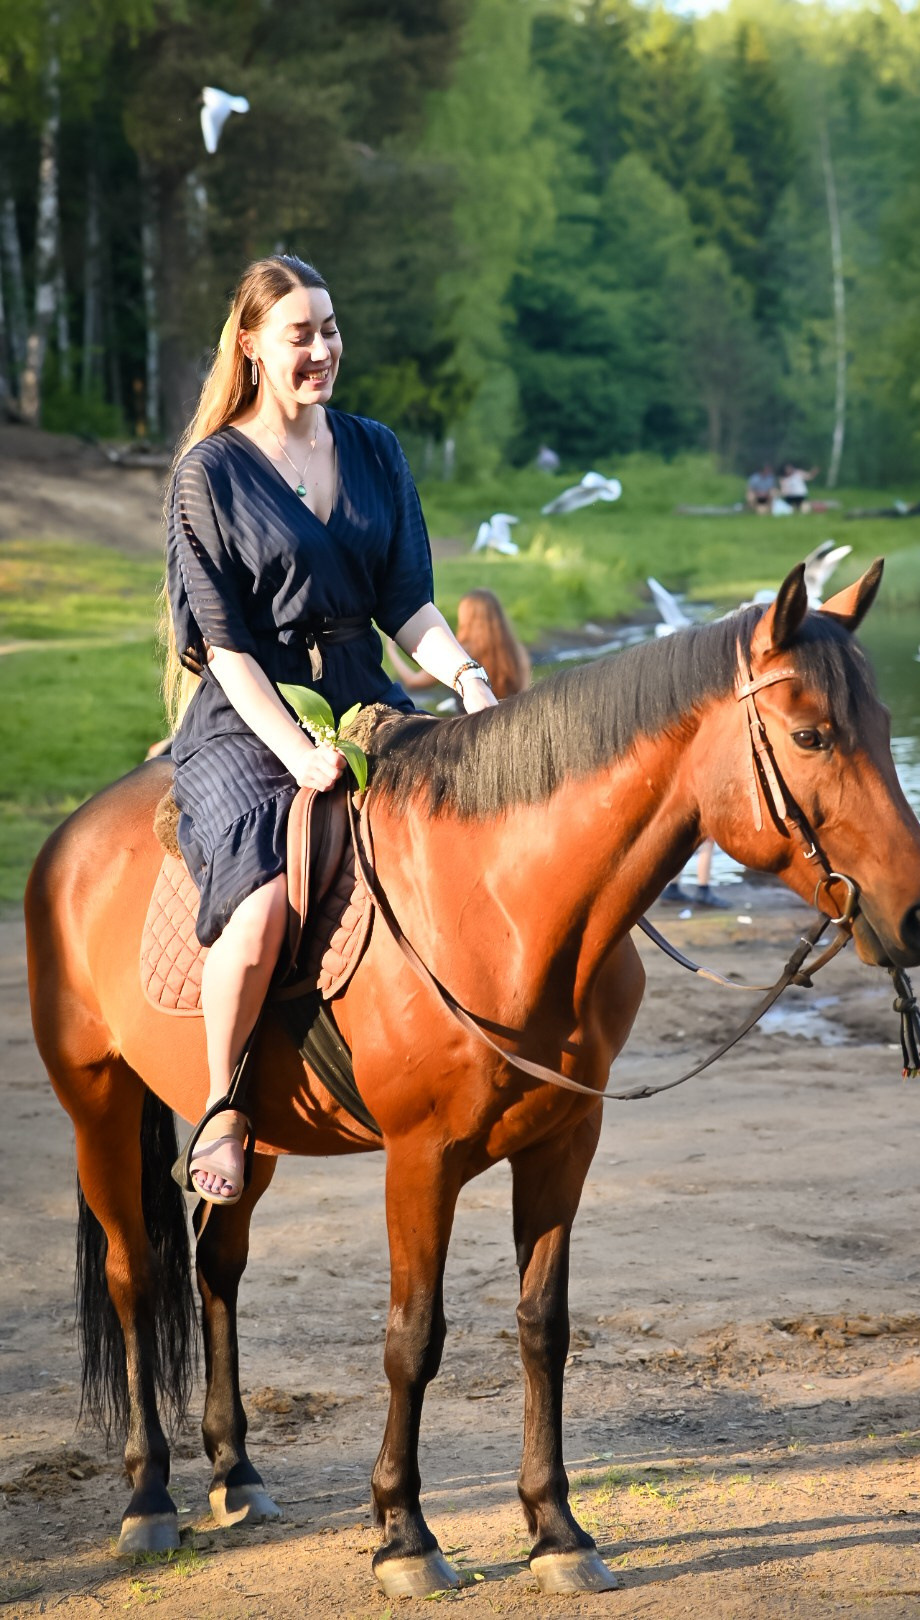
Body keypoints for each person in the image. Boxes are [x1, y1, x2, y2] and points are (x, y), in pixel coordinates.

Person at [164, 253, 498, 1206]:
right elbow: (224, 648)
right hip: (249, 713)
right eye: (299, 333)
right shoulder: (210, 473)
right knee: (265, 895)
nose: (322, 349)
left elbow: (410, 609)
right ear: (252, 346)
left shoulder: (376, 450)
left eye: (330, 328)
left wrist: (469, 678)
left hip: (367, 693)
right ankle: (224, 1104)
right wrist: (298, 752)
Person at [385, 587, 531, 703]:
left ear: (467, 619)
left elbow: (413, 682)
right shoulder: (517, 652)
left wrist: (391, 651)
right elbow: (524, 695)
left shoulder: (462, 655)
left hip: (468, 731)